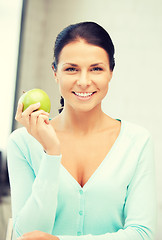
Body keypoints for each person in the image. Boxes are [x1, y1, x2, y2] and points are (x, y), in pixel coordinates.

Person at [7, 21, 157, 240]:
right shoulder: (22, 142)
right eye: (71, 69)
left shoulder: (137, 141)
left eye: (96, 69)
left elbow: (143, 234)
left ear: (110, 73)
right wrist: (51, 153)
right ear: (55, 72)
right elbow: (26, 235)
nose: (84, 81)